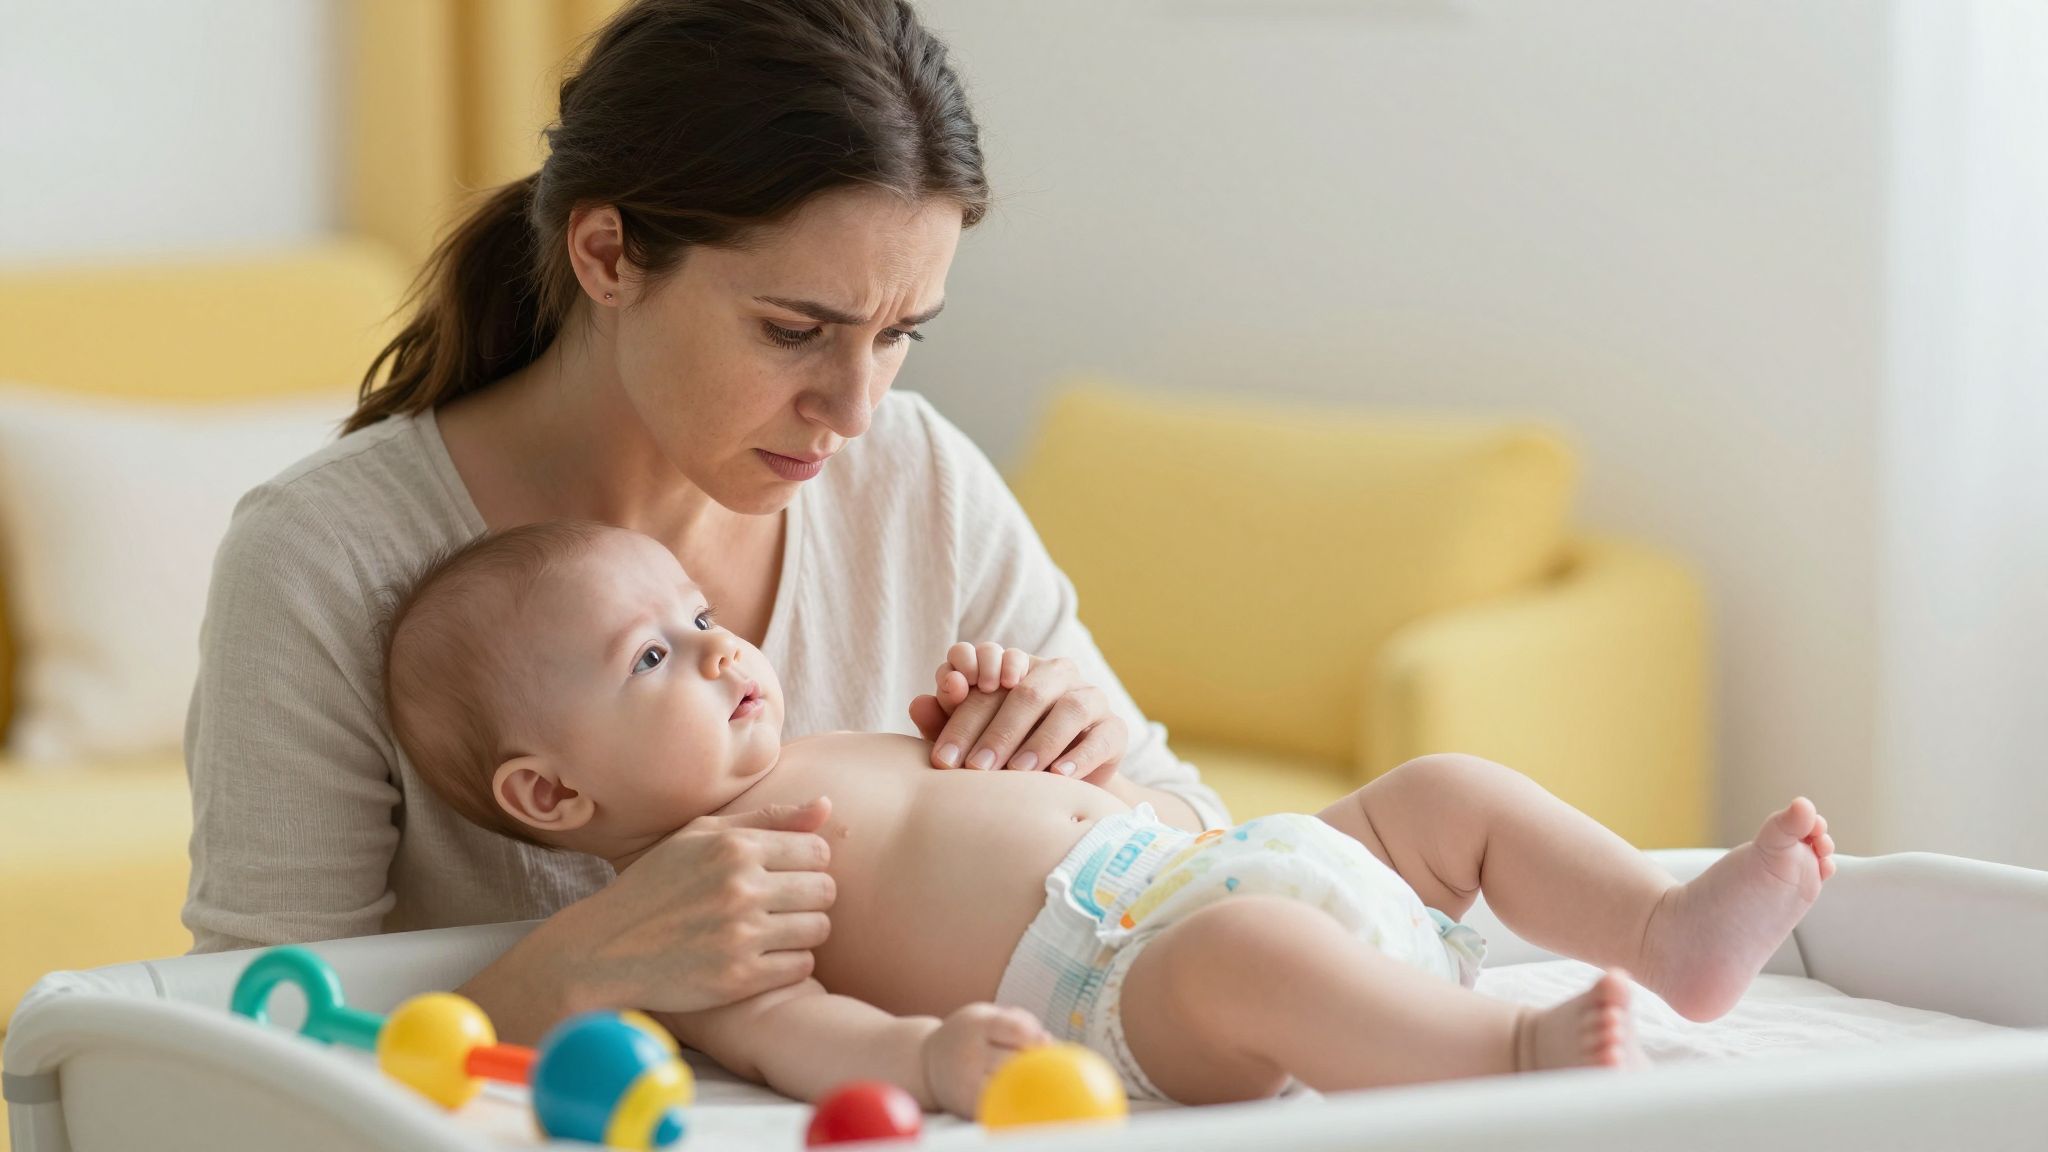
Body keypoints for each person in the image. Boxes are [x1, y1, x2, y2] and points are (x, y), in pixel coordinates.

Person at [182, 0, 1225, 1046]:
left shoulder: (917, 479)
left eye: (899, 333)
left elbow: (1215, 844)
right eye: (791, 330)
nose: (854, 411)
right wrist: (574, 970)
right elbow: (248, 1050)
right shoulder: (324, 559)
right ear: (606, 255)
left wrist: (1097, 771)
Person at [380, 520, 1839, 1112]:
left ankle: (1667, 929)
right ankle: (1505, 1049)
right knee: (1250, 964)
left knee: (1438, 798)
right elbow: (789, 1033)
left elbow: (1060, 799)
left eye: (699, 618)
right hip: (1135, 990)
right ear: (550, 794)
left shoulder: (821, 741)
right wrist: (933, 1058)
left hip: (1214, 856)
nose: (716, 649)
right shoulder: (703, 902)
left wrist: (1029, 733)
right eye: (651, 658)